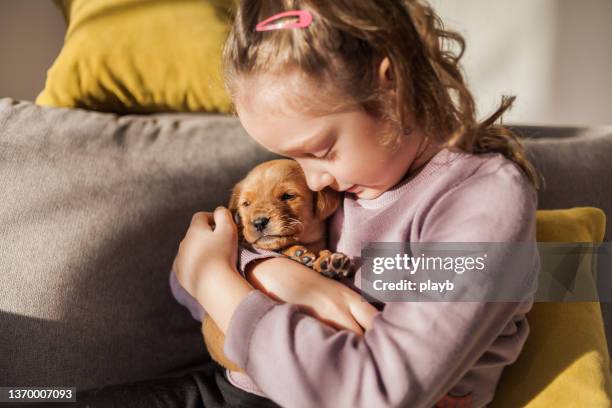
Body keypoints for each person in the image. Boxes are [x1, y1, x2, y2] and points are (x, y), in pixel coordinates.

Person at [171, 1, 541, 407]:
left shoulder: (478, 200)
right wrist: (275, 274)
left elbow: (372, 392)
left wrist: (214, 281)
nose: (313, 181)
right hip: (237, 388)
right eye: (295, 159)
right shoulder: (351, 181)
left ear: (392, 89)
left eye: (322, 150)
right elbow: (184, 277)